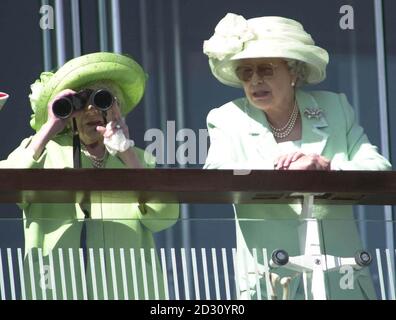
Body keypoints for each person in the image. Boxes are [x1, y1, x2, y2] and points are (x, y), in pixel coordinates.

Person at [203, 13, 392, 300]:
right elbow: (217, 173)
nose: (255, 80)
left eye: (265, 69)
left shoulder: (335, 107)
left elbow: (379, 168)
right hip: (272, 280)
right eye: (246, 72)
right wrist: (282, 170)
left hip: (341, 278)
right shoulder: (227, 118)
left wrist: (327, 169)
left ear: (293, 72)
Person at [0, 52, 179, 300]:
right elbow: (6, 185)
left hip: (128, 291)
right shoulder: (43, 153)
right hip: (57, 288)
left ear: (117, 109)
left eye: (103, 99)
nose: (92, 108)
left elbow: (164, 218)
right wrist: (49, 128)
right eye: (81, 102)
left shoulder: (137, 158)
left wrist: (128, 155)